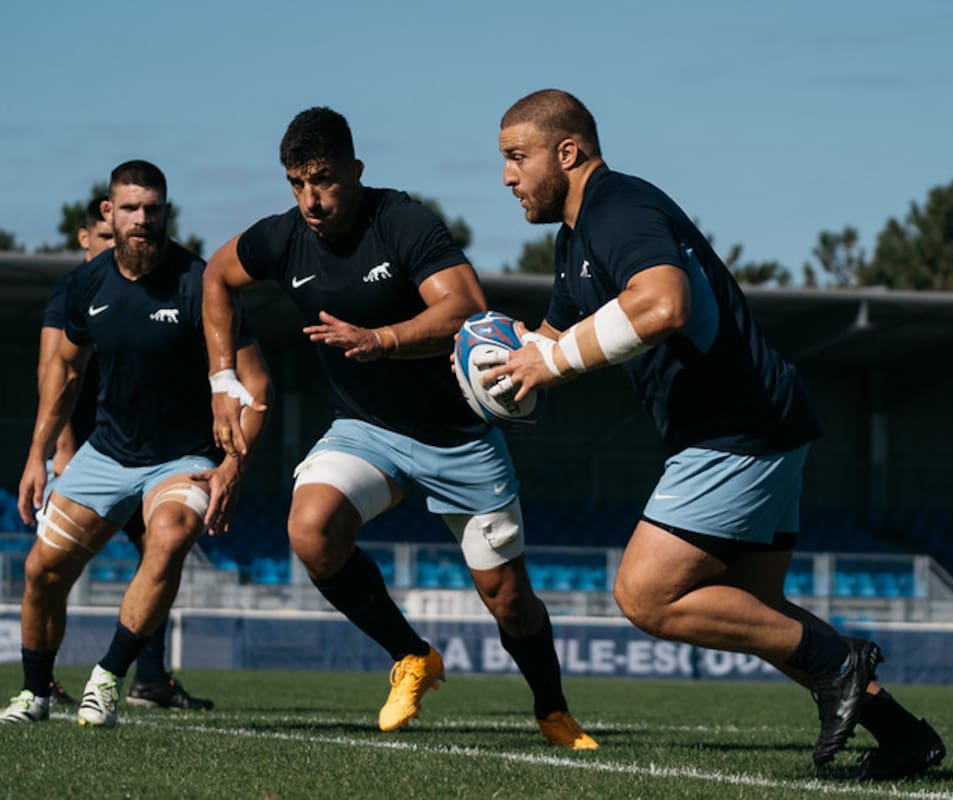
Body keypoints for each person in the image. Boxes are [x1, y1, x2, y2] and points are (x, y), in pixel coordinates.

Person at [489, 89, 944, 777]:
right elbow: (552, 340)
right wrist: (499, 365)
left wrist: (549, 359)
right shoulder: (575, 239)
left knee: (646, 595)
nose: (507, 177)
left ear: (569, 152)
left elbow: (663, 303)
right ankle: (902, 735)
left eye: (517, 158)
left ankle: (841, 662)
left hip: (735, 426)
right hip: (761, 419)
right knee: (754, 612)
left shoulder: (618, 208)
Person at [201, 107, 596, 749]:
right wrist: (224, 378)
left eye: (324, 180)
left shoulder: (403, 222)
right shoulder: (282, 239)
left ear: (356, 170)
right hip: (368, 429)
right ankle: (413, 656)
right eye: (297, 184)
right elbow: (215, 277)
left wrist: (380, 339)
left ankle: (552, 710)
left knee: (508, 600)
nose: (311, 200)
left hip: (459, 437)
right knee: (310, 530)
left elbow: (465, 307)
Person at [0, 160, 270, 727]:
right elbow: (65, 374)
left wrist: (231, 465)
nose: (141, 219)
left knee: (167, 539)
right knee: (40, 572)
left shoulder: (200, 282)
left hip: (184, 457)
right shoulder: (85, 284)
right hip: (107, 453)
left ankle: (106, 680)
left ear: (166, 213)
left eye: (152, 208)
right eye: (129, 208)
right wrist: (38, 454)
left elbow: (257, 381)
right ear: (109, 213)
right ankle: (34, 694)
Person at [35, 196, 214, 712]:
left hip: (154, 454)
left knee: (160, 551)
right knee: (52, 568)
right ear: (89, 236)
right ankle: (42, 680)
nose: (118, 243)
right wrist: (60, 449)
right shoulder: (77, 291)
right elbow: (55, 372)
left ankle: (143, 675)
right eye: (106, 235)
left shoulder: (169, 285)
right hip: (94, 454)